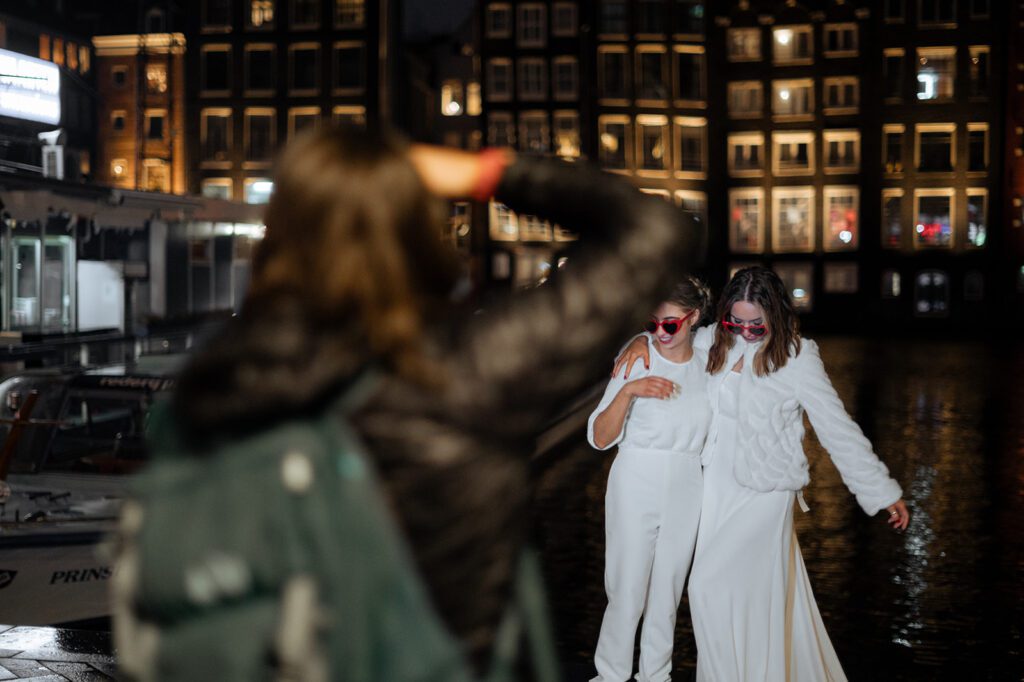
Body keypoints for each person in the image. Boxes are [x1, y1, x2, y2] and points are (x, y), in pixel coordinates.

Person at [112, 128, 701, 679]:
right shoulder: (476, 369)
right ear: (418, 231)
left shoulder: (218, 378)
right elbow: (652, 233)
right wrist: (481, 171)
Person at [614, 266, 909, 682]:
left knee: (705, 588)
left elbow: (836, 427)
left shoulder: (798, 356)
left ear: (776, 314)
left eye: (757, 325)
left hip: (766, 493)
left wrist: (880, 491)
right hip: (715, 488)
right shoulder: (713, 339)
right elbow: (667, 336)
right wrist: (638, 342)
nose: (747, 332)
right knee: (736, 598)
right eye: (738, 322)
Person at [587, 278, 712, 682]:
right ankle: (611, 675)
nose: (660, 333)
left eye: (670, 325)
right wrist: (628, 392)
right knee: (626, 588)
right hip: (636, 476)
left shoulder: (710, 361)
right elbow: (600, 437)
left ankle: (655, 676)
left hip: (689, 481)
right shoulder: (638, 359)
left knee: (668, 592)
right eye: (652, 324)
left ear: (692, 319)